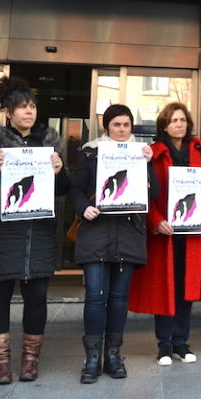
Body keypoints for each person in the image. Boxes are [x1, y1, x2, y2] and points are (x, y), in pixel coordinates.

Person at [0, 76, 70, 384]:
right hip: (0, 230)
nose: (29, 112)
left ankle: (30, 361)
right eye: (22, 107)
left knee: (37, 295)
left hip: (37, 230)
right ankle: (1, 362)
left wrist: (59, 171)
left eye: (32, 106)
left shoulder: (48, 143)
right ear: (8, 111)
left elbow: (63, 190)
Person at [70, 104, 158, 383]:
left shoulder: (142, 153)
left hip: (128, 234)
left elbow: (153, 192)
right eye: (116, 124)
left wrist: (149, 163)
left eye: (126, 125)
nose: (121, 129)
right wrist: (83, 207)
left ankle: (113, 355)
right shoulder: (90, 152)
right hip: (96, 232)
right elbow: (75, 188)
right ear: (107, 126)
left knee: (119, 300)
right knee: (96, 297)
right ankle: (93, 357)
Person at [129, 102, 201, 366]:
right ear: (164, 125)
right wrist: (156, 221)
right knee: (165, 289)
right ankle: (164, 344)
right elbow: (144, 192)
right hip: (164, 233)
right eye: (173, 120)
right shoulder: (153, 153)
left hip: (191, 233)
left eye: (183, 120)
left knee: (185, 288)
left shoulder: (200, 151)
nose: (179, 124)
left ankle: (182, 341)